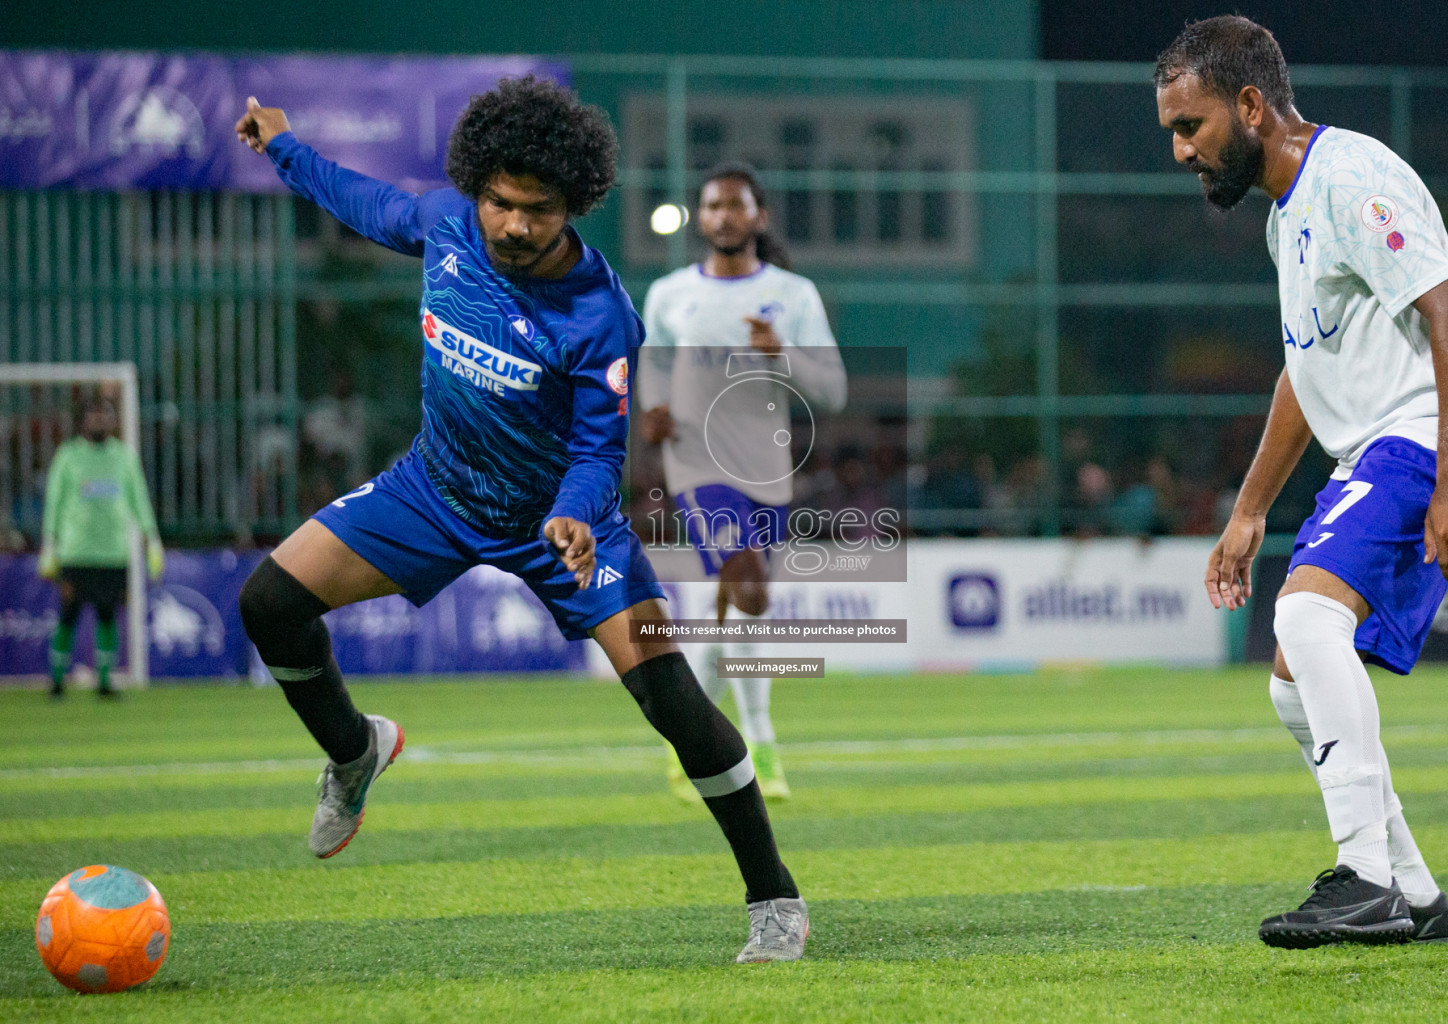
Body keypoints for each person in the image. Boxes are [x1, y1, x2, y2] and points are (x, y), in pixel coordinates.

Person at [233, 79, 807, 963]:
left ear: (570, 206)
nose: (511, 225)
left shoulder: (599, 314)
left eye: (536, 211)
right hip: (435, 493)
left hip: (565, 530)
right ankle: (356, 752)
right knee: (269, 602)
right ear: (478, 190)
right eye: (499, 202)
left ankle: (774, 897)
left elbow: (594, 450)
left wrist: (576, 517)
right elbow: (354, 197)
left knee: (674, 700)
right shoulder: (444, 226)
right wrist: (281, 145)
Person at [1155, 16, 1448, 948]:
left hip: (1427, 442)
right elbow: (1301, 375)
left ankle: (1361, 879)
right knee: (1289, 683)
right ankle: (1411, 887)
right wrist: (1247, 513)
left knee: (1306, 619)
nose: (1182, 151)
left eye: (1190, 127)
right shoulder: (1287, 218)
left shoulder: (1351, 177)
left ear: (1249, 105)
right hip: (1382, 451)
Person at [638, 164, 847, 803]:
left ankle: (690, 740)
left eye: (737, 205)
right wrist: (652, 412)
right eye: (713, 206)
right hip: (698, 467)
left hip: (766, 470)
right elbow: (652, 367)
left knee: (734, 609)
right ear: (701, 219)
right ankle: (760, 734)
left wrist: (780, 354)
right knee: (747, 587)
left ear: (759, 216)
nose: (724, 216)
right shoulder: (671, 293)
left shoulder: (794, 294)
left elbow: (833, 392)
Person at [39, 396, 163, 697]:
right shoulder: (68, 456)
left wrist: (152, 539)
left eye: (104, 416)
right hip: (75, 551)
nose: (99, 421)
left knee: (108, 614)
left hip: (113, 552)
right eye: (94, 416)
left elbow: (139, 498)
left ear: (112, 421)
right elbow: (54, 501)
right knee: (68, 614)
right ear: (83, 420)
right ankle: (57, 680)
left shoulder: (124, 457)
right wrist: (49, 544)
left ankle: (104, 681)